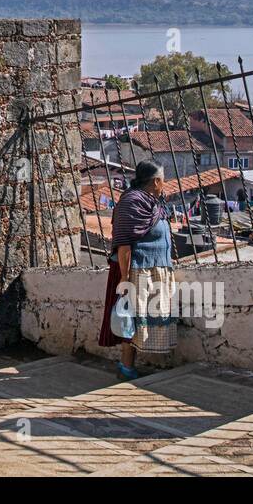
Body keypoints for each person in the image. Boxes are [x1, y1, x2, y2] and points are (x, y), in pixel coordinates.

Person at [97, 159, 178, 380]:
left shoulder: (153, 202)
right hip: (135, 272)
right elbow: (124, 244)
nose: (165, 184)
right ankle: (126, 368)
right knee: (131, 321)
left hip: (151, 270)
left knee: (140, 320)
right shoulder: (131, 203)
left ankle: (129, 366)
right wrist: (124, 279)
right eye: (163, 180)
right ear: (157, 181)